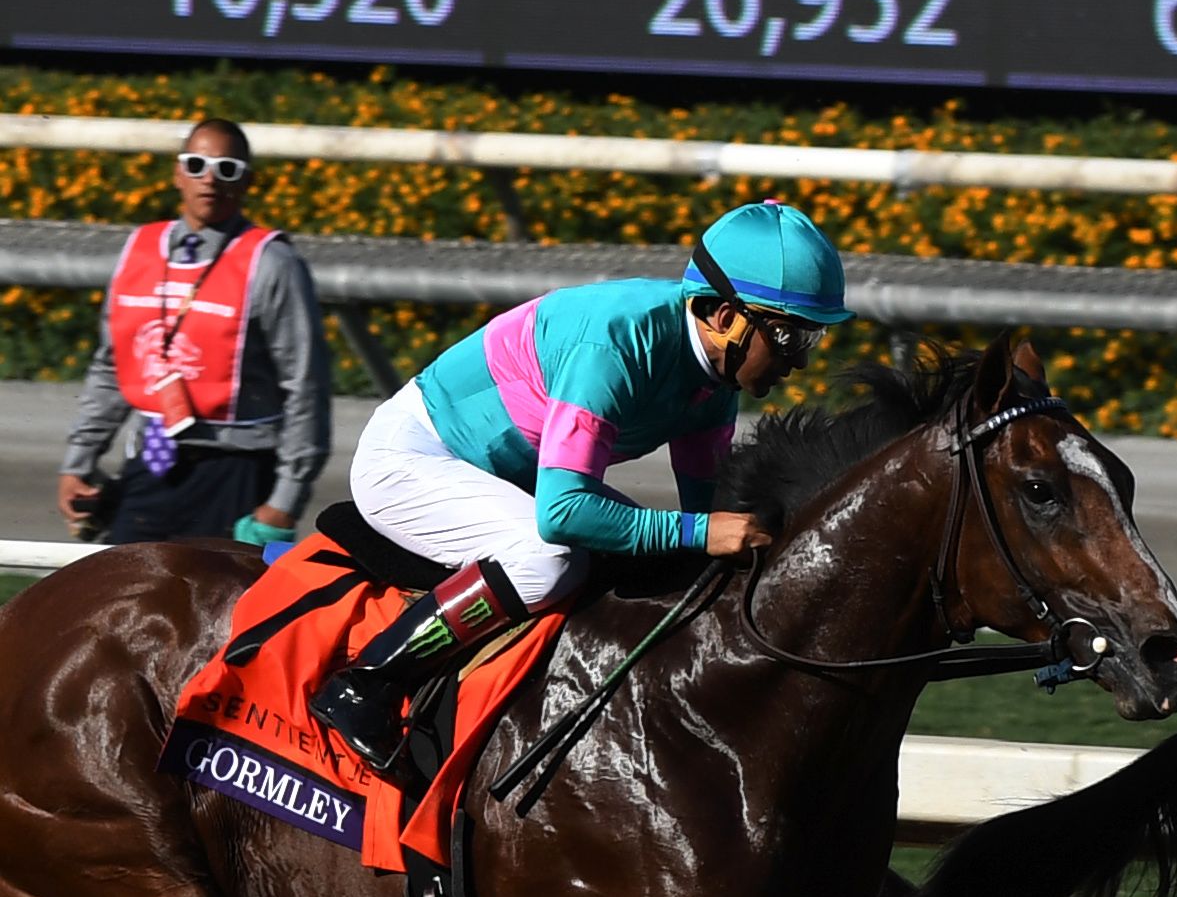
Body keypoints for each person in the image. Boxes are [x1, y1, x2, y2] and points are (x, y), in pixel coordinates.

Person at [307, 200, 848, 769]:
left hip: (509, 476)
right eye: (789, 338)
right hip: (414, 458)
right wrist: (701, 531)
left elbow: (704, 507)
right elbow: (563, 513)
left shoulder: (715, 374)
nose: (799, 363)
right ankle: (365, 683)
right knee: (549, 560)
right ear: (722, 316)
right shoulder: (614, 346)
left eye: (810, 341)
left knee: (661, 562)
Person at [57, 116, 328, 556]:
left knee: (225, 621)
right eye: (197, 164)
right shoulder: (139, 249)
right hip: (152, 461)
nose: (210, 179)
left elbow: (306, 386)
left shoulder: (274, 263)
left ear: (247, 181)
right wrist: (79, 460)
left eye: (227, 169)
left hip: (237, 473)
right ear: (177, 173)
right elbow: (111, 366)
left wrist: (286, 500)